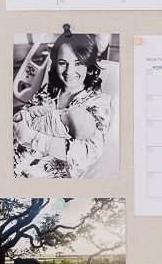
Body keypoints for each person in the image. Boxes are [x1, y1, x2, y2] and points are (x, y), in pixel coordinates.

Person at [13, 33, 111, 179]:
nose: (69, 71)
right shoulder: (49, 90)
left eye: (78, 63)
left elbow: (86, 154)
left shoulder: (98, 103)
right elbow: (20, 119)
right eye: (63, 63)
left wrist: (32, 137)